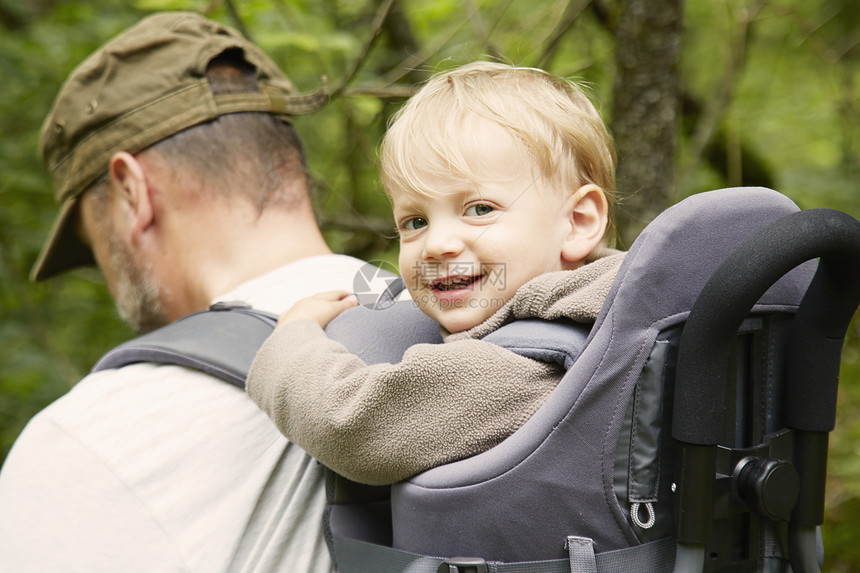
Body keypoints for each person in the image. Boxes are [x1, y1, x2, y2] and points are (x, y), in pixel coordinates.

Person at [0, 12, 379, 572]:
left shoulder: (88, 441)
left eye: (93, 240)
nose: (107, 277)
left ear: (132, 191)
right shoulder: (472, 320)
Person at [246, 62, 626, 486]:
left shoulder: (526, 361)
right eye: (414, 222)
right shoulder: (615, 312)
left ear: (577, 221)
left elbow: (354, 428)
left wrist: (292, 339)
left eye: (479, 209)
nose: (436, 244)